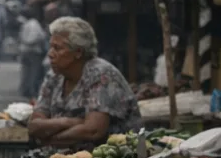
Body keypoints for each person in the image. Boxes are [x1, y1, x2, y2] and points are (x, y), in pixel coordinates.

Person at [28, 16, 141, 148]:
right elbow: (34, 125)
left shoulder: (100, 74)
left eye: (57, 48)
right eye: (51, 47)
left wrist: (50, 140)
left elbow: (93, 131)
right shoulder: (54, 75)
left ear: (78, 52)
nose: (50, 54)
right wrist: (70, 122)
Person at [18, 7, 47, 100]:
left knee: (26, 72)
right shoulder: (34, 24)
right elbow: (34, 38)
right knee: (33, 73)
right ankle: (31, 91)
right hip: (33, 51)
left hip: (25, 50)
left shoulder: (26, 24)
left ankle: (25, 90)